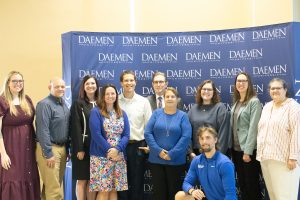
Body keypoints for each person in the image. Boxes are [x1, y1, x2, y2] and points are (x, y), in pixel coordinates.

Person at [145, 87, 191, 200]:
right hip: (156, 160)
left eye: (172, 96)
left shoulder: (183, 116)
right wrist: (158, 151)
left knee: (174, 193)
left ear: (178, 99)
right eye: (167, 96)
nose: (170, 99)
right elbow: (147, 133)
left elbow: (186, 137)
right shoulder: (156, 113)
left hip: (175, 161)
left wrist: (172, 154)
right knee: (159, 193)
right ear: (164, 99)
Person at [257, 78, 300, 200]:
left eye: (278, 88)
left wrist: (293, 157)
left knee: (286, 196)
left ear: (285, 90)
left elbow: (297, 133)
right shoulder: (267, 107)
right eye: (272, 88)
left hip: (284, 161)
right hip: (266, 158)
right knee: (274, 196)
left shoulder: (293, 107)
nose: (275, 90)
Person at [0, 71, 40, 200]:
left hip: (28, 149)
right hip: (11, 149)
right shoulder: (2, 101)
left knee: (28, 176)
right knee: (12, 178)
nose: (18, 84)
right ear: (8, 83)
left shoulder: (26, 99)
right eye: (15, 81)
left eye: (20, 81)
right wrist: (3, 154)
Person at [89, 84, 130, 200]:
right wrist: (110, 151)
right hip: (101, 157)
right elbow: (96, 135)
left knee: (113, 190)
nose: (110, 96)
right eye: (107, 93)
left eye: (113, 93)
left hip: (119, 156)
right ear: (102, 96)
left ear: (116, 96)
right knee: (104, 191)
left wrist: (117, 150)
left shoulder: (122, 113)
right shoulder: (95, 112)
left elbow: (126, 135)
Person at [175, 126, 237, 200]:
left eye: (208, 138)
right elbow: (186, 183)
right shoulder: (196, 161)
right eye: (202, 138)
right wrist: (192, 191)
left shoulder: (224, 163)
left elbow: (231, 195)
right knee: (180, 195)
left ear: (215, 140)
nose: (204, 141)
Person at [118, 70, 152, 200]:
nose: (129, 83)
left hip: (138, 146)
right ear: (121, 83)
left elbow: (149, 126)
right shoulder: (116, 101)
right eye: (126, 80)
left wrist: (148, 146)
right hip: (120, 147)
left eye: (131, 80)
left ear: (135, 82)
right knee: (121, 184)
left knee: (137, 183)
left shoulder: (143, 102)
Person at [36, 77, 70, 200]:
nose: (61, 89)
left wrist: (67, 149)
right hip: (49, 149)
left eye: (62, 87)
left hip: (61, 148)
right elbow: (42, 130)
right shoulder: (44, 104)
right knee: (55, 191)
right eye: (57, 87)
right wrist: (48, 153)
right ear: (49, 87)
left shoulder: (62, 103)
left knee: (51, 186)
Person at [230, 72, 262, 200]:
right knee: (242, 185)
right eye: (238, 81)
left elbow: (254, 128)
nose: (241, 83)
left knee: (252, 186)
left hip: (248, 152)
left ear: (249, 84)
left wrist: (247, 152)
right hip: (236, 150)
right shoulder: (237, 102)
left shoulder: (254, 102)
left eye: (244, 81)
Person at [70, 75, 99, 200]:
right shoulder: (78, 104)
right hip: (83, 148)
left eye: (93, 83)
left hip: (98, 148)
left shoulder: (101, 103)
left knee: (93, 181)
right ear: (83, 87)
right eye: (87, 84)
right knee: (82, 180)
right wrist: (79, 149)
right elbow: (75, 127)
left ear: (97, 86)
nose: (90, 86)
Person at [188, 80, 230, 158]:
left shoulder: (220, 108)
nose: (206, 91)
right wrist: (190, 152)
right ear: (200, 91)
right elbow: (187, 133)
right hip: (196, 155)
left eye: (209, 89)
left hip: (214, 153)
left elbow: (224, 134)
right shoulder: (193, 109)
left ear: (214, 92)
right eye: (204, 89)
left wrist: (218, 155)